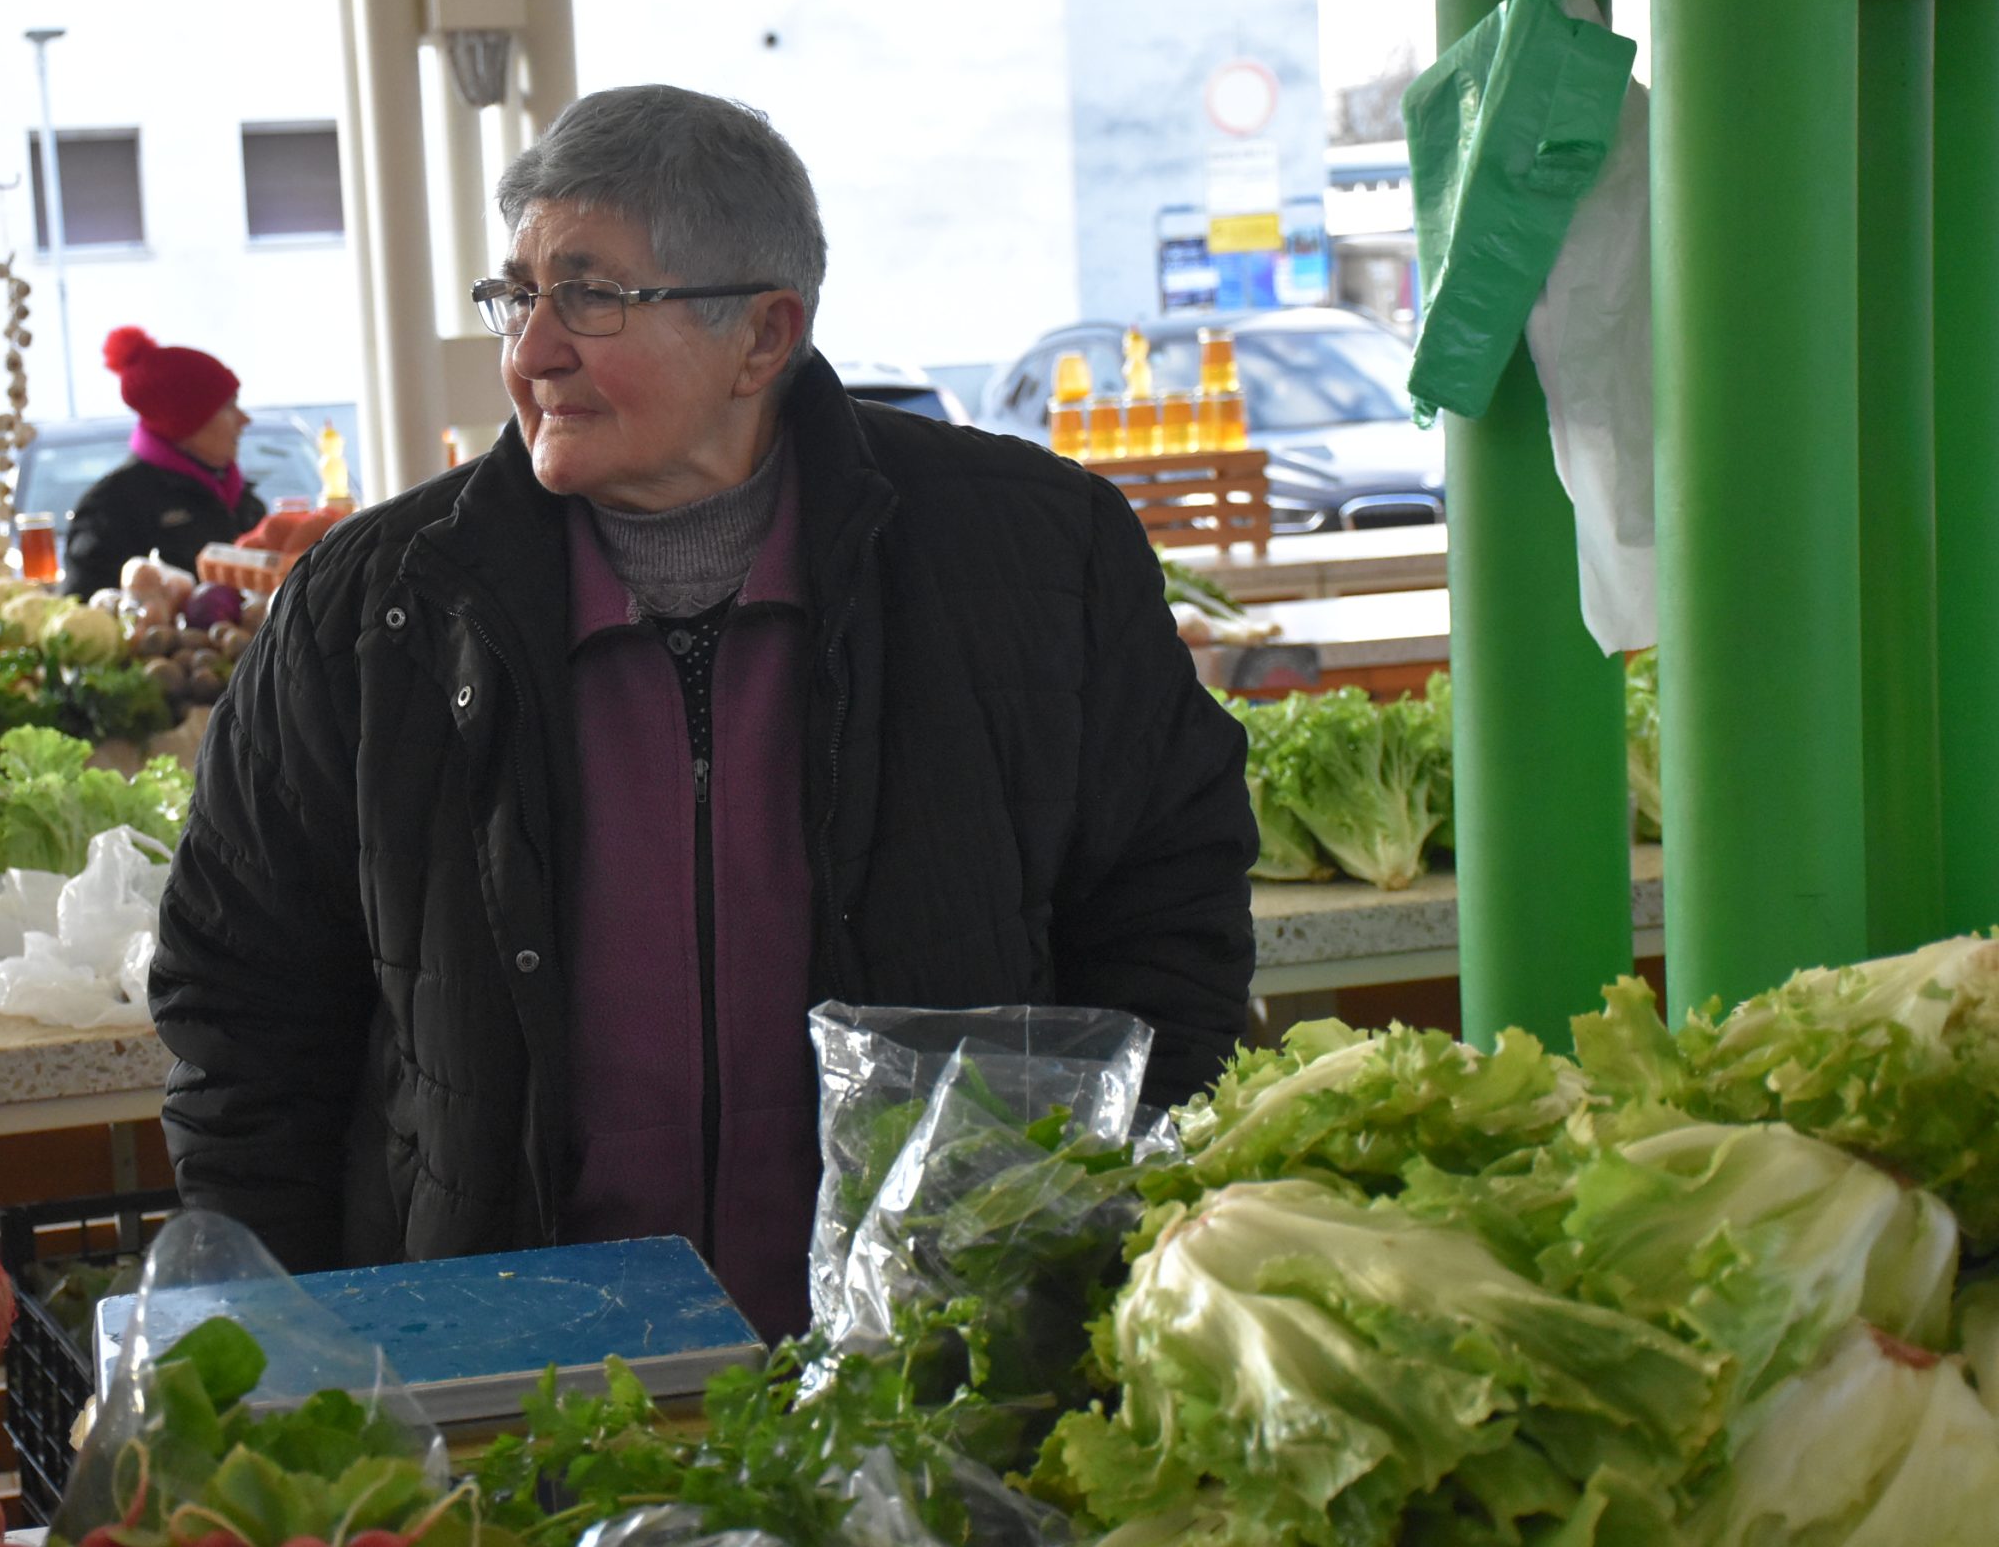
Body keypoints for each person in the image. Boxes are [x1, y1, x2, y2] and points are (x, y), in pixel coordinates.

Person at [150, 85, 1257, 1341]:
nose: (532, 351)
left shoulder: (1032, 559)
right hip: (507, 1373)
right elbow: (242, 1006)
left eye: (591, 296)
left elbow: (1170, 916)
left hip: (941, 1363)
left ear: (763, 335)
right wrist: (300, 1339)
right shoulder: (374, 609)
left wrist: (1069, 1245)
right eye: (518, 295)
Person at [62, 326, 265, 598]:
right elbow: (87, 609)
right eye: (228, 407)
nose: (244, 420)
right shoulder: (112, 508)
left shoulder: (239, 497)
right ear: (187, 420)